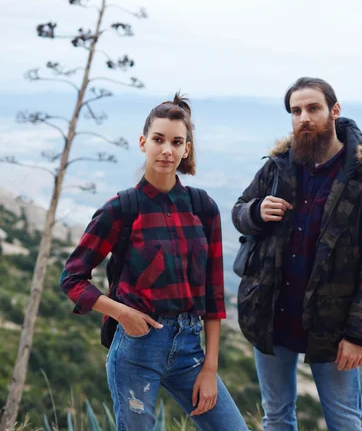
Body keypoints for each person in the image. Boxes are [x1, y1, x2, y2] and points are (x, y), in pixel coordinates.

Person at [60, 93, 248, 431]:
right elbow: (72, 278)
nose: (167, 150)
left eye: (176, 142)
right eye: (159, 140)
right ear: (143, 143)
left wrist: (210, 368)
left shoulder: (203, 207)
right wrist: (121, 313)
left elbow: (213, 295)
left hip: (191, 348)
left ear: (186, 149)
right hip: (136, 350)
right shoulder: (121, 208)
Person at [232, 77, 362, 431]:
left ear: (334, 111)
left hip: (332, 326)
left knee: (344, 420)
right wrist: (256, 211)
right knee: (276, 416)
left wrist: (358, 335)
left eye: (312, 108)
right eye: (295, 111)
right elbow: (240, 211)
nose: (303, 117)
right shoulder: (278, 165)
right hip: (272, 314)